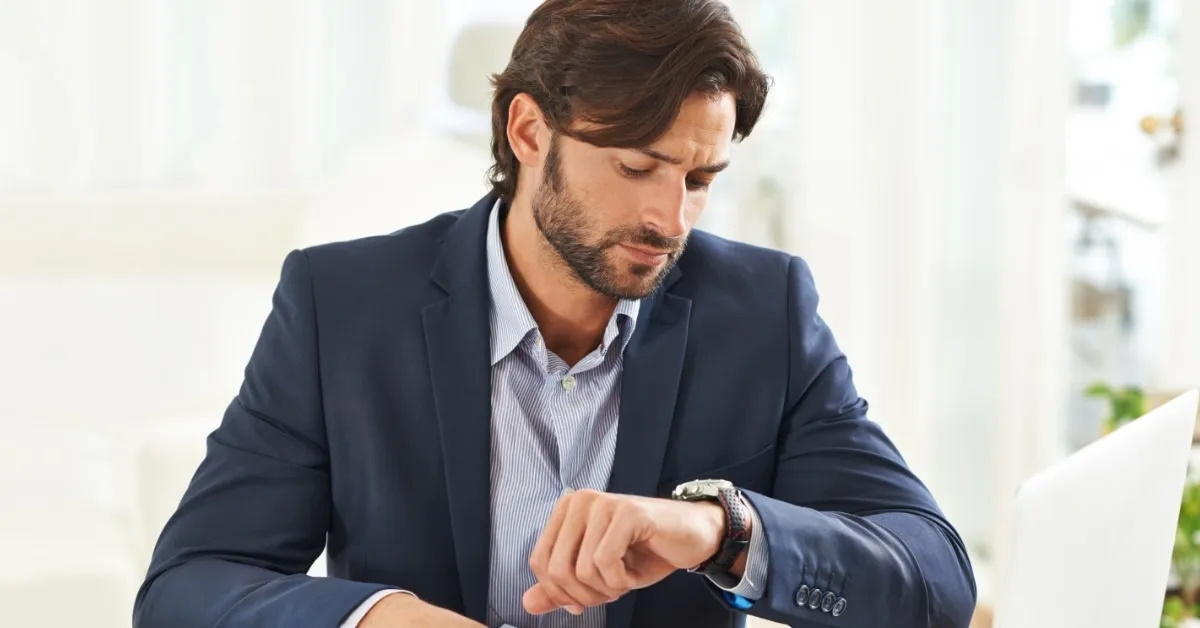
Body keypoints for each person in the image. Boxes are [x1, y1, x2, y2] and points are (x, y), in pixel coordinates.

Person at [133, 1, 976, 626]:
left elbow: (935, 577)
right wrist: (378, 616)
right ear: (530, 131)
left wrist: (718, 529)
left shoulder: (761, 314)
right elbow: (190, 585)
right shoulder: (344, 307)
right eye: (638, 166)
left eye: (700, 178)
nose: (672, 219)